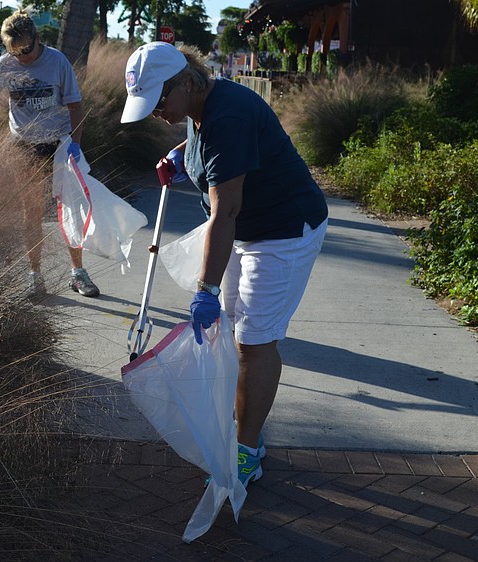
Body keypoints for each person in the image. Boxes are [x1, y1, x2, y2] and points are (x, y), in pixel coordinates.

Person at [120, 42, 329, 487]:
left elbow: (225, 212)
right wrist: (183, 154)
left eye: (160, 99)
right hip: (249, 228)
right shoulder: (204, 103)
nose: (155, 110)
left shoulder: (227, 115)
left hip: (283, 230)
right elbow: (206, 140)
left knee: (255, 341)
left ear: (188, 81)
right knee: (239, 332)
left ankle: (248, 449)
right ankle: (245, 429)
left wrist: (205, 289)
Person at [0, 11, 100, 299]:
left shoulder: (57, 62)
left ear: (37, 39)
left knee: (68, 211)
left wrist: (75, 147)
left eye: (27, 50)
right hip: (24, 147)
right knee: (31, 213)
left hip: (58, 145)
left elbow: (76, 107)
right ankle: (35, 276)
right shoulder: (4, 66)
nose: (23, 56)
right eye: (14, 51)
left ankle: (78, 273)